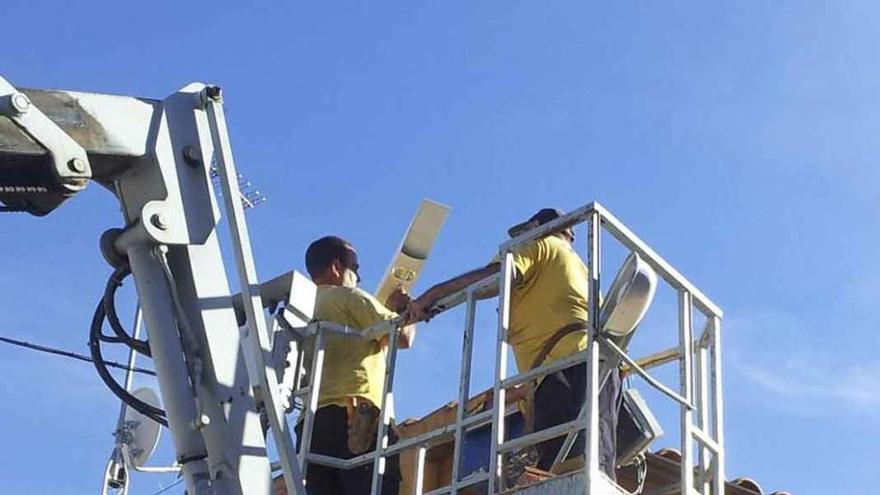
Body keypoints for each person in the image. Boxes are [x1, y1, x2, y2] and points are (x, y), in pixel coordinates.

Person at [406, 208, 621, 478]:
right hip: (596, 369)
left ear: (536, 227)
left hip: (566, 371)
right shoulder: (580, 272)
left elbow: (495, 276)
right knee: (593, 467)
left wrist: (432, 296)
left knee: (566, 473)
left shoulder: (540, 243)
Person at [295, 235, 415, 495]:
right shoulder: (347, 297)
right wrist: (405, 309)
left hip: (312, 427)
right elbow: (402, 337)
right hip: (356, 417)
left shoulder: (302, 310)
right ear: (337, 268)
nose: (358, 277)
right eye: (355, 268)